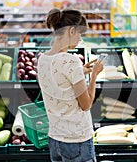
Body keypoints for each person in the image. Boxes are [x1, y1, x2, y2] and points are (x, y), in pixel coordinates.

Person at [37, 8, 104, 162]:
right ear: (72, 31)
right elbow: (86, 104)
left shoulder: (43, 59)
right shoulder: (71, 61)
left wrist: (81, 72)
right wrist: (94, 75)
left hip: (55, 138)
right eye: (80, 34)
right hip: (77, 140)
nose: (80, 39)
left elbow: (59, 83)